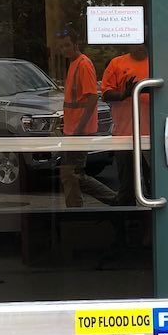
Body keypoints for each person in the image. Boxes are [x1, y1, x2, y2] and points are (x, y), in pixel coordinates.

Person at [56, 27, 116, 208]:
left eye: (67, 45)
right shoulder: (74, 64)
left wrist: (79, 128)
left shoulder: (83, 64)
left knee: (73, 174)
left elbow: (91, 98)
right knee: (70, 173)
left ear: (76, 44)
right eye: (61, 46)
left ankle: (115, 200)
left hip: (78, 131)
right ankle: (75, 206)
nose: (64, 49)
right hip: (72, 130)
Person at [101, 42, 151, 205]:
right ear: (129, 44)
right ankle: (127, 224)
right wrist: (123, 94)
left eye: (143, 43)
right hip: (124, 135)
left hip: (151, 137)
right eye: (136, 43)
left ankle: (154, 224)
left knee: (155, 184)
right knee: (127, 187)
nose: (140, 47)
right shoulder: (117, 63)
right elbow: (106, 94)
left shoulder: (157, 62)